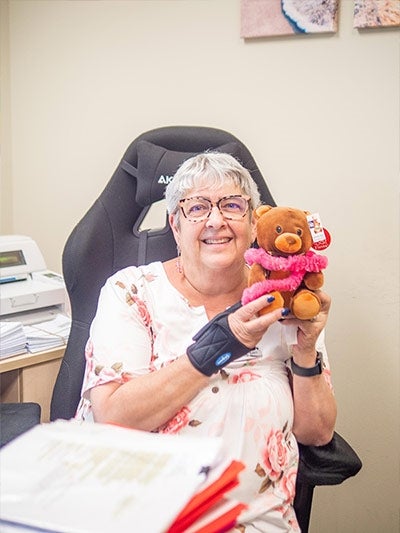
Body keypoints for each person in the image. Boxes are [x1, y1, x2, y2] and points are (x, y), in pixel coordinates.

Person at [76, 152, 337, 532]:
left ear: (253, 221)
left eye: (232, 205)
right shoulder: (131, 291)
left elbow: (317, 433)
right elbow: (114, 416)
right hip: (136, 516)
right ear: (175, 225)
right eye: (197, 207)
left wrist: (305, 348)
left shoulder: (284, 300)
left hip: (253, 520)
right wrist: (223, 343)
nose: (216, 220)